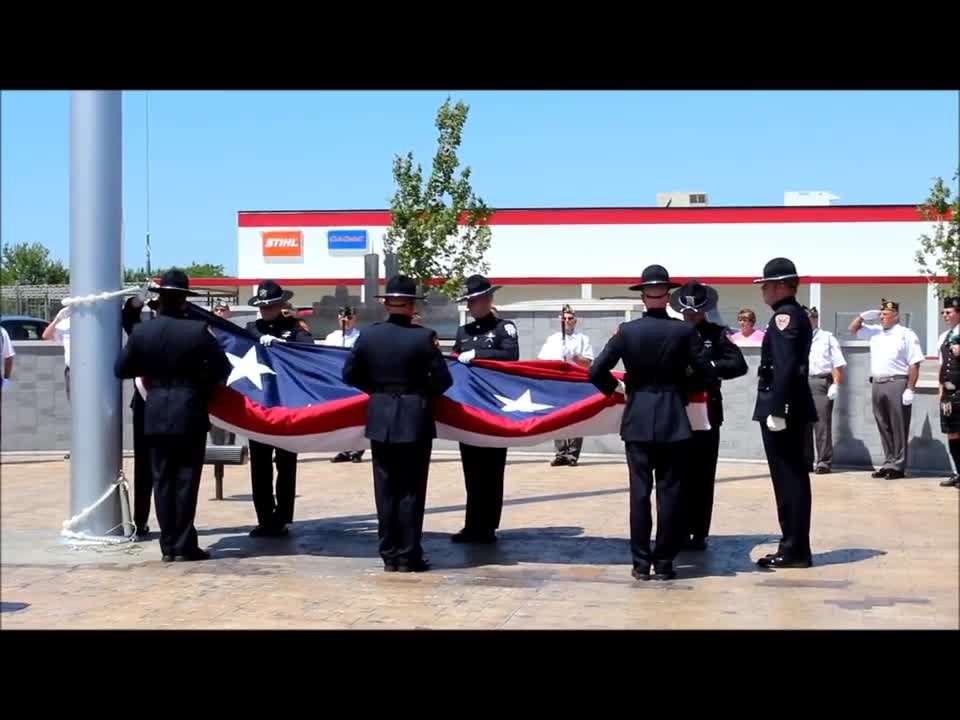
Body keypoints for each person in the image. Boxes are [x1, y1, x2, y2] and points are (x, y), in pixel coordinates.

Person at [590, 265, 713, 581]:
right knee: (670, 494)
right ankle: (665, 562)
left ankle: (640, 563)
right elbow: (706, 375)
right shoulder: (684, 332)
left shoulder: (627, 331)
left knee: (639, 493)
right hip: (674, 417)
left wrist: (619, 390)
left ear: (644, 296)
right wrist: (681, 385)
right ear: (669, 296)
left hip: (638, 417)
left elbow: (595, 371)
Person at [114, 270, 230, 562]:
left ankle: (168, 547)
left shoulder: (143, 333)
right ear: (183, 301)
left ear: (160, 300)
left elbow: (121, 369)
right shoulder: (198, 331)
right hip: (189, 409)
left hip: (155, 412)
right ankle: (184, 544)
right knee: (186, 480)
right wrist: (199, 382)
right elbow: (222, 369)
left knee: (162, 479)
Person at [342, 275, 453, 571]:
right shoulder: (423, 337)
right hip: (414, 417)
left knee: (385, 489)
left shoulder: (368, 336)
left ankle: (389, 554)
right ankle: (408, 554)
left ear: (388, 304)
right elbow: (443, 380)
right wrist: (418, 395)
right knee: (411, 490)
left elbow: (350, 374)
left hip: (380, 417)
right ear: (411, 305)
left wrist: (378, 392)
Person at [670, 280, 747, 551]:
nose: (691, 316)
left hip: (706, 411)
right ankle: (676, 529)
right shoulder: (672, 332)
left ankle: (699, 531)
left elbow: (739, 364)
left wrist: (707, 366)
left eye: (696, 312)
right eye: (687, 312)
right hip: (677, 411)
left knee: (703, 475)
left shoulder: (716, 334)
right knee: (676, 474)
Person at [752, 257, 817, 569]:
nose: (763, 291)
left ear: (779, 285)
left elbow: (786, 366)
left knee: (789, 479)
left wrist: (779, 409)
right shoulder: (790, 314)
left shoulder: (786, 316)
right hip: (788, 407)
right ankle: (793, 545)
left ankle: (794, 549)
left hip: (785, 410)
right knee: (789, 478)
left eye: (766, 285)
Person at [451, 274, 520, 544]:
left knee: (492, 469)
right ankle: (472, 525)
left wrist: (479, 356)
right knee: (471, 469)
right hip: (469, 407)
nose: (470, 306)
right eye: (468, 302)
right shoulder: (463, 332)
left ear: (488, 299)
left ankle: (488, 525)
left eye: (474, 301)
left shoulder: (504, 328)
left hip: (494, 408)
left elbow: (510, 357)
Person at [245, 279, 314, 536]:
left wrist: (284, 344)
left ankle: (283, 515)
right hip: (260, 404)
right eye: (262, 307)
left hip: (286, 403)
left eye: (271, 306)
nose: (266, 312)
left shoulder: (294, 328)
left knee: (286, 462)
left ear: (281, 305)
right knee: (259, 464)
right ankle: (264, 517)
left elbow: (309, 350)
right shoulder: (253, 329)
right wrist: (261, 337)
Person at [847, 299, 924, 479]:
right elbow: (852, 329)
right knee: (883, 425)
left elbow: (914, 363)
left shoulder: (906, 334)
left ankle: (898, 465)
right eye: (880, 314)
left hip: (896, 382)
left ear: (895, 316)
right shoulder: (876, 332)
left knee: (898, 426)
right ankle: (889, 462)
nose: (881, 317)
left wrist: (910, 389)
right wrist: (862, 316)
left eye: (885, 314)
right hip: (877, 383)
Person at [537, 304, 595, 466]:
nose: (567, 321)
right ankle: (560, 453)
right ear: (560, 320)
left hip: (576, 382)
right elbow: (543, 361)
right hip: (558, 382)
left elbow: (588, 363)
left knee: (577, 418)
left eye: (570, 318)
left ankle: (572, 455)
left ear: (575, 321)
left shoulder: (583, 339)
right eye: (564, 318)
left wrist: (574, 356)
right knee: (558, 417)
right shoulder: (553, 339)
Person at [122, 294, 156, 538]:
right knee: (144, 467)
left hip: (166, 406)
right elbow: (129, 314)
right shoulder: (143, 332)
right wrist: (139, 298)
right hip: (145, 404)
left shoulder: (190, 331)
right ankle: (141, 520)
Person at [803, 306, 847, 475]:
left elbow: (838, 362)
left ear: (815, 319)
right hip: (801, 382)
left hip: (820, 381)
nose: (807, 321)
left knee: (821, 424)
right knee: (802, 424)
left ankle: (823, 461)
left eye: (810, 318)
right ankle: (806, 460)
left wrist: (835, 383)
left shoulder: (827, 338)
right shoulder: (798, 337)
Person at [324, 305, 364, 463]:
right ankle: (344, 449)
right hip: (336, 381)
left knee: (357, 416)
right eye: (342, 317)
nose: (345, 321)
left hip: (355, 381)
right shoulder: (331, 337)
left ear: (355, 319)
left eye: (349, 317)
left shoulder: (360, 336)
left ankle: (357, 449)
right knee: (341, 415)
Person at [937, 296, 960, 488]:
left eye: (948, 312)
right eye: (943, 312)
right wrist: (941, 391)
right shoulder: (943, 337)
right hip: (949, 393)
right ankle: (957, 472)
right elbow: (941, 366)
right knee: (952, 433)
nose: (944, 315)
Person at [42, 306, 72, 402]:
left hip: (92, 370)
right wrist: (58, 319)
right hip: (71, 370)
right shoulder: (66, 323)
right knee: (73, 402)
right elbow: (46, 335)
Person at [1, 325, 14, 391]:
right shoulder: (2, 332)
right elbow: (9, 357)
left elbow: (9, 357)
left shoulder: (2, 333)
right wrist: (6, 379)